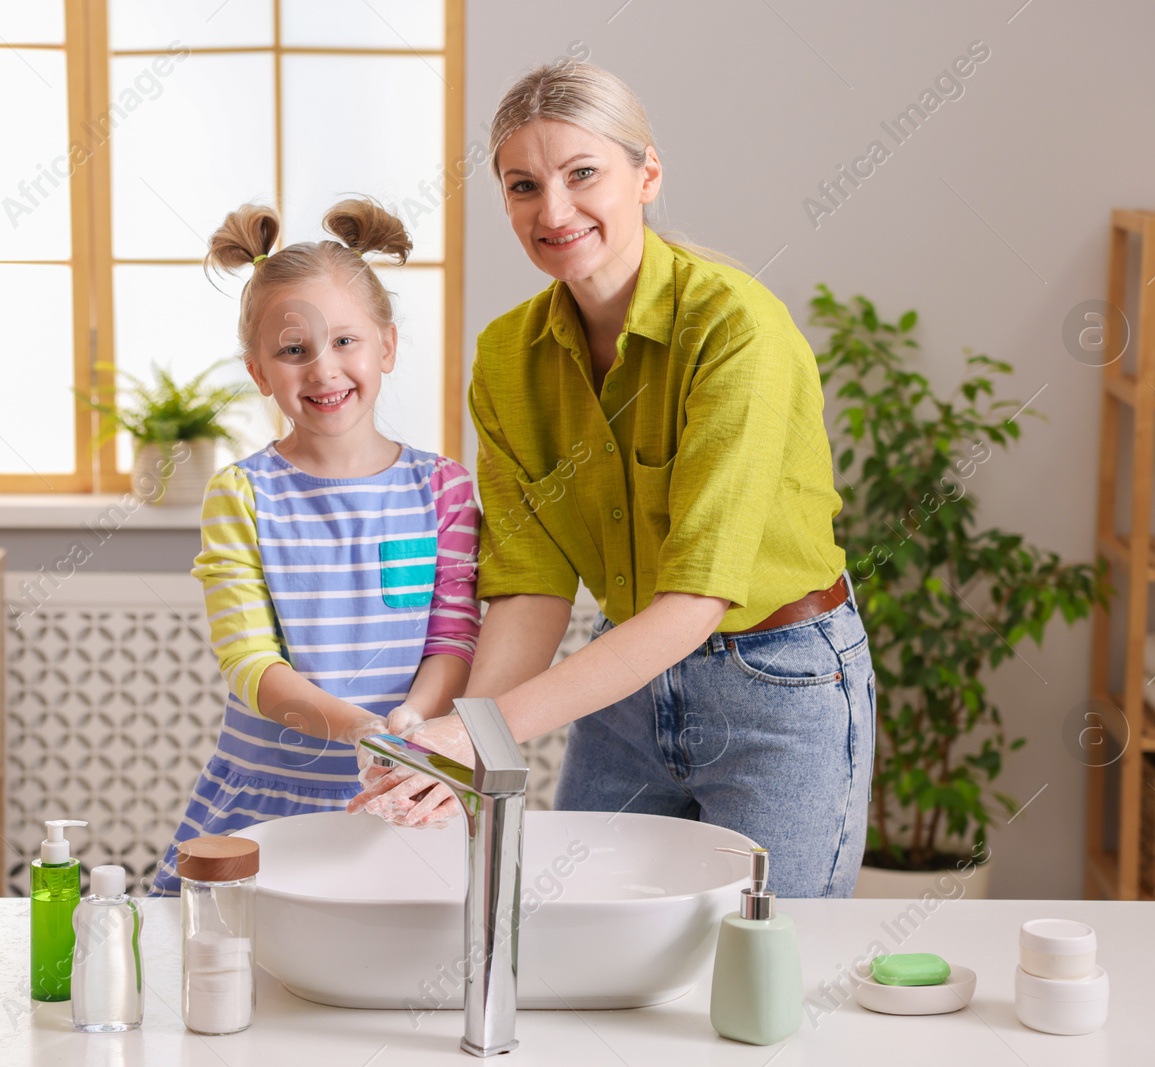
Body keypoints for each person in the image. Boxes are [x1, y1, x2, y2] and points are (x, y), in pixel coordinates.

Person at [350, 61, 875, 899]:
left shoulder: (737, 329)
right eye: (524, 186)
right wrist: (458, 749)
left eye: (582, 174)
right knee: (574, 932)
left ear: (648, 174)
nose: (552, 211)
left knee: (772, 965)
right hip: (625, 685)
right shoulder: (504, 358)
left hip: (780, 687)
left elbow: (696, 600)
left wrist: (479, 733)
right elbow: (530, 590)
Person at [150, 198, 480, 896]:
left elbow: (452, 641)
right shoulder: (241, 496)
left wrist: (412, 731)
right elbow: (250, 664)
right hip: (266, 804)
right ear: (259, 371)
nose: (323, 370)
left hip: (407, 792)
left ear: (386, 346)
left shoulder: (444, 489)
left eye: (345, 342)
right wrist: (366, 731)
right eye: (293, 350)